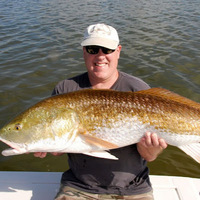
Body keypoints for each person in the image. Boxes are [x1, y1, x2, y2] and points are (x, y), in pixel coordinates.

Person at [34, 23, 168, 200]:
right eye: (92, 49)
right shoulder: (66, 89)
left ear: (118, 51)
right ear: (84, 51)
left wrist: (151, 149)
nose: (100, 56)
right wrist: (42, 142)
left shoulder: (138, 89)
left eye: (107, 49)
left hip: (133, 189)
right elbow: (60, 149)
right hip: (78, 187)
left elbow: (149, 157)